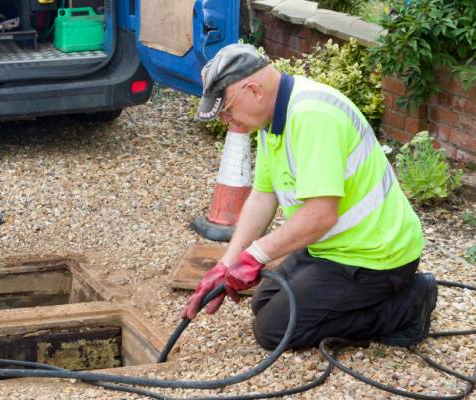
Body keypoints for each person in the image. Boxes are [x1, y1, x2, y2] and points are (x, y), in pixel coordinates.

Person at [180, 43, 437, 350]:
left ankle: (407, 305)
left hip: (376, 257)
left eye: (227, 109)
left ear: (254, 90)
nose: (226, 120)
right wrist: (229, 262)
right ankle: (374, 301)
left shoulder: (313, 116)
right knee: (264, 303)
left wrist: (256, 255)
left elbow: (321, 215)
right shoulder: (272, 119)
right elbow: (263, 196)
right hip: (332, 246)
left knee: (273, 331)